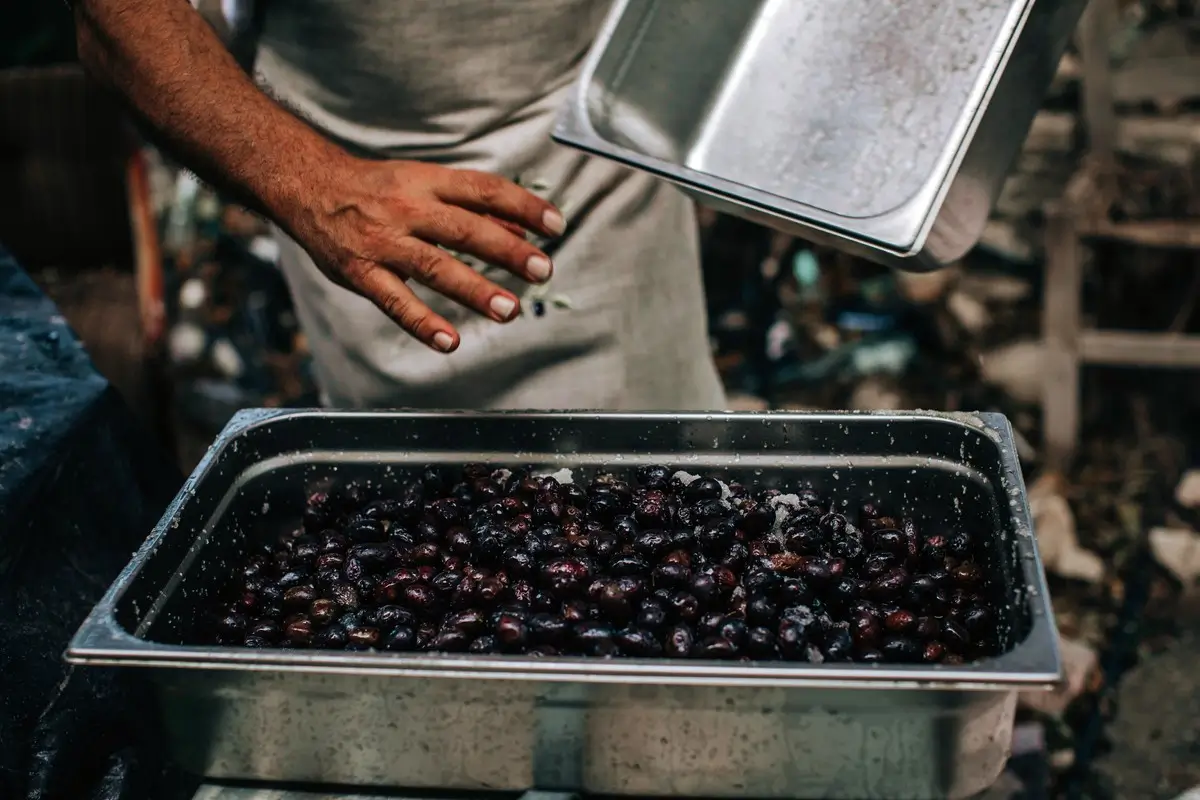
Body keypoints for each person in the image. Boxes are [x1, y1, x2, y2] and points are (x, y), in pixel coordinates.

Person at [72, 0, 726, 410]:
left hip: (598, 174)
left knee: (659, 501)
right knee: (419, 537)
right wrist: (316, 185)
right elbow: (115, 19)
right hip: (351, 188)